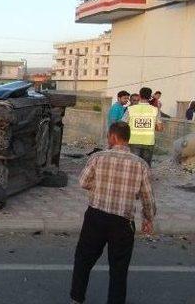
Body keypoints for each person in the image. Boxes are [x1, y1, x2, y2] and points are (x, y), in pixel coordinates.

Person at [70, 122, 155, 304]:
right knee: (119, 268)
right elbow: (147, 196)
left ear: (113, 137)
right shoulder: (141, 165)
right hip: (123, 222)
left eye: (109, 136)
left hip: (96, 217)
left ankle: (77, 298)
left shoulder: (98, 157)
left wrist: (100, 186)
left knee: (83, 259)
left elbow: (83, 182)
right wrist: (148, 218)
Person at [120, 87, 163, 167]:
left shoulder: (130, 109)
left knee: (133, 166)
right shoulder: (155, 110)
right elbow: (160, 128)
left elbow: (122, 125)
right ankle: (144, 179)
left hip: (133, 141)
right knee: (145, 166)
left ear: (139, 96)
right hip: (149, 142)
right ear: (150, 97)